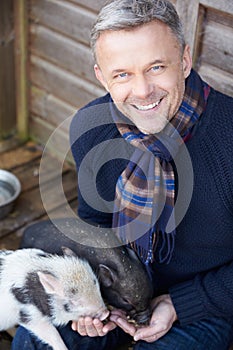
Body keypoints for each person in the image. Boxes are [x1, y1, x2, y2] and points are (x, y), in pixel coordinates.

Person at [12, 0, 233, 349]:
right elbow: (95, 226)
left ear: (185, 61)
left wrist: (181, 304)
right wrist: (94, 299)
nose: (143, 91)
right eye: (122, 74)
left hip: (207, 300)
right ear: (102, 76)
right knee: (33, 341)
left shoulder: (228, 136)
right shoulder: (90, 127)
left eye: (156, 67)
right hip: (116, 286)